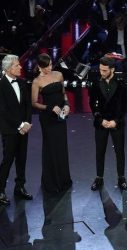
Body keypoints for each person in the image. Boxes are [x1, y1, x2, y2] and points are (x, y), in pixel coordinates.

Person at [32, 53, 72, 193]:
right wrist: (49, 107)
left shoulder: (58, 75)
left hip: (60, 116)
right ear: (39, 67)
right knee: (51, 148)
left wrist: (67, 104)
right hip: (48, 119)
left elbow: (63, 93)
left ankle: (64, 179)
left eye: (50, 65)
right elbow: (34, 103)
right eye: (46, 66)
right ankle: (52, 182)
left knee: (61, 147)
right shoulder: (37, 81)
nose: (49, 68)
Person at [88, 56, 127, 191]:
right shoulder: (95, 82)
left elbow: (124, 105)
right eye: (100, 70)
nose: (101, 72)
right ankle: (99, 178)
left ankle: (121, 177)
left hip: (117, 123)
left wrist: (115, 121)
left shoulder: (121, 83)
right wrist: (101, 120)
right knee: (100, 151)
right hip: (101, 123)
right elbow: (92, 104)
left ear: (112, 70)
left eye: (104, 70)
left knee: (119, 151)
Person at [0, 54, 32, 206]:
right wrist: (20, 125)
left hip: (23, 128)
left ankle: (20, 187)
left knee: (22, 159)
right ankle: (0, 190)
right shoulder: (1, 85)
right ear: (8, 68)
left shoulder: (22, 82)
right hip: (10, 129)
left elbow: (27, 105)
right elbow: (4, 111)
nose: (20, 67)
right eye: (17, 65)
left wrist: (26, 123)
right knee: (7, 160)